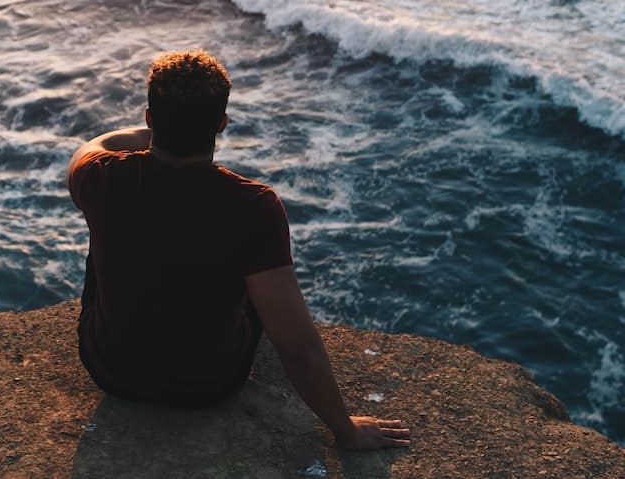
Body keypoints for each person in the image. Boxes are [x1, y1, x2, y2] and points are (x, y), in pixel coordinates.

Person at [67, 49, 410, 451]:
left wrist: (155, 132)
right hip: (208, 384)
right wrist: (345, 429)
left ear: (149, 117)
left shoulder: (100, 177)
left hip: (110, 369)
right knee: (255, 278)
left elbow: (93, 146)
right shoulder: (254, 206)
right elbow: (295, 344)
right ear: (222, 124)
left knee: (106, 235)